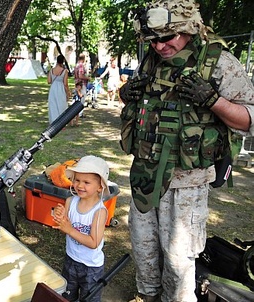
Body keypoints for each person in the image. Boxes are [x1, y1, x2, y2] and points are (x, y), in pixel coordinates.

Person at [119, 1, 254, 301]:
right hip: (146, 172)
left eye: (167, 38)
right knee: (144, 247)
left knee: (179, 259)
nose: (160, 46)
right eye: (153, 40)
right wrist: (125, 94)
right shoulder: (152, 59)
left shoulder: (218, 62)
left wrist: (213, 101)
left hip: (187, 182)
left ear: (188, 29)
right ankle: (147, 295)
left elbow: (250, 118)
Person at [52, 155, 109, 302]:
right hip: (71, 259)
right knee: (66, 296)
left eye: (86, 182)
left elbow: (93, 242)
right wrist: (60, 217)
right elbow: (64, 225)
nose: (80, 185)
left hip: (91, 267)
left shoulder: (99, 211)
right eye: (77, 180)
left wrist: (69, 229)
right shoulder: (70, 201)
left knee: (89, 299)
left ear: (100, 186)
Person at [47, 54, 70, 124]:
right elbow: (65, 83)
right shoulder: (65, 71)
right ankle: (61, 122)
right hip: (60, 88)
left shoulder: (51, 70)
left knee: (53, 105)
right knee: (61, 104)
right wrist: (68, 92)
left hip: (53, 88)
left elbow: (49, 81)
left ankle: (54, 122)